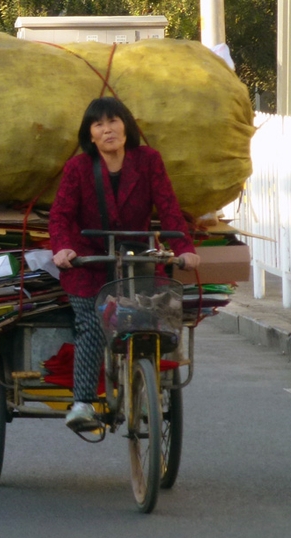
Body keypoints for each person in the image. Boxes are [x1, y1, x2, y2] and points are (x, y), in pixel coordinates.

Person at [48, 96, 201, 432]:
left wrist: (184, 248)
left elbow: (169, 209)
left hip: (138, 261)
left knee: (155, 319)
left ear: (126, 126)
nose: (107, 129)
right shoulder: (77, 169)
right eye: (99, 124)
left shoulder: (148, 161)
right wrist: (64, 248)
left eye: (113, 121)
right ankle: (83, 403)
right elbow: (60, 216)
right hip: (90, 264)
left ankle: (149, 381)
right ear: (90, 135)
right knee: (92, 324)